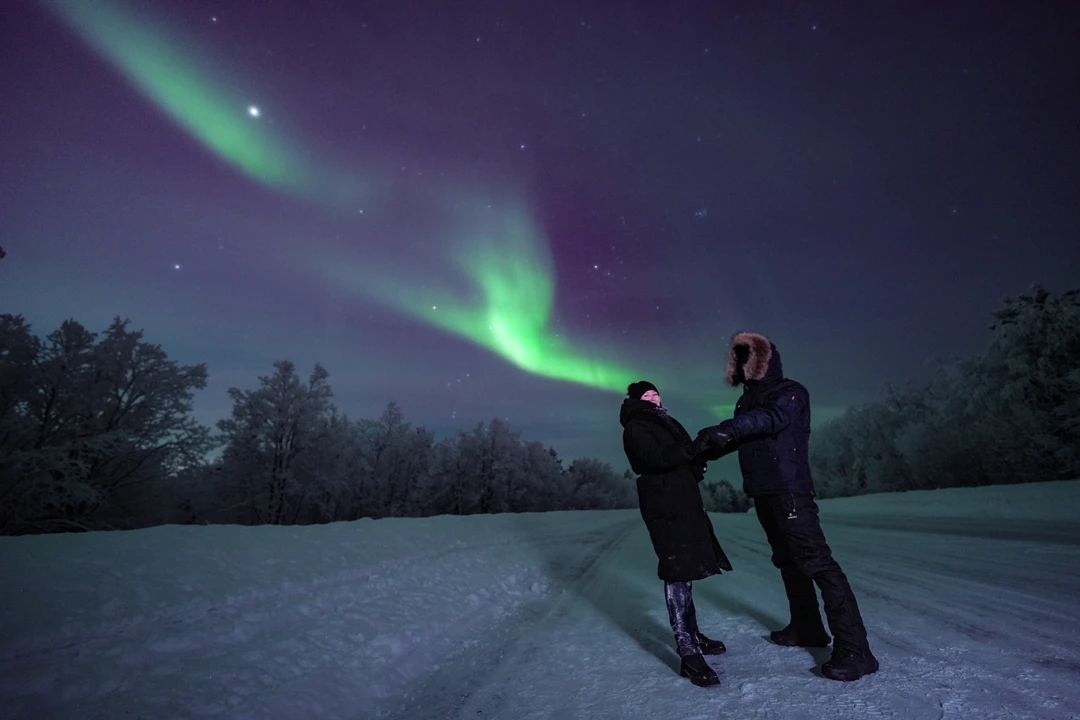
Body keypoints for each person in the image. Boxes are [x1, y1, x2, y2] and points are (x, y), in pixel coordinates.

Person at [695, 333, 879, 682]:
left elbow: (770, 419)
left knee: (817, 563)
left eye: (746, 358)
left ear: (762, 361)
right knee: (789, 562)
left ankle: (857, 651)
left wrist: (725, 431)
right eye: (737, 359)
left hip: (790, 490)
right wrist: (700, 450)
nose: (741, 365)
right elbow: (741, 434)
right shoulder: (747, 402)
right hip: (764, 492)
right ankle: (807, 627)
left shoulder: (789, 392)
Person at [620, 380, 733, 688]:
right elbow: (657, 458)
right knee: (676, 568)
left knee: (686, 566)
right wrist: (694, 446)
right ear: (635, 402)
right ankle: (688, 653)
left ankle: (693, 634)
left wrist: (708, 450)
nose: (653, 396)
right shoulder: (636, 425)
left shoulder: (664, 421)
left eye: (655, 392)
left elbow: (681, 456)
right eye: (646, 394)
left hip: (680, 499)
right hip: (664, 503)